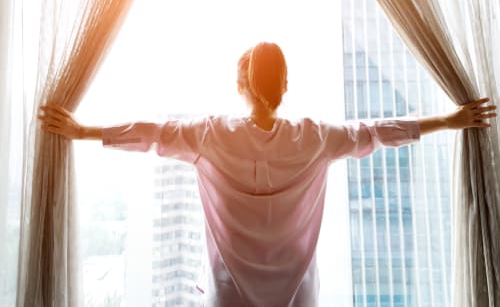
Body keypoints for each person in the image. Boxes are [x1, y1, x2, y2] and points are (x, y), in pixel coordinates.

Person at [39, 42, 496, 307]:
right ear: (285, 86)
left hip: (228, 294)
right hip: (298, 294)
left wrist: (81, 132)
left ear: (241, 86)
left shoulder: (211, 135)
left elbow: (151, 133)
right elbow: (376, 132)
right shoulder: (315, 137)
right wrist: (451, 121)